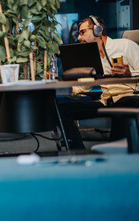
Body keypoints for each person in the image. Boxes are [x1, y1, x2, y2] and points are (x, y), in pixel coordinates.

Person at [59, 16, 139, 150]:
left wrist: (129, 73)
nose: (79, 38)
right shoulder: (89, 55)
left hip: (130, 98)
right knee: (63, 111)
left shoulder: (125, 45)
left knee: (124, 105)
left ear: (97, 30)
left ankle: (115, 155)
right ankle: (79, 153)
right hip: (105, 101)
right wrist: (69, 78)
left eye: (82, 32)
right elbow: (84, 87)